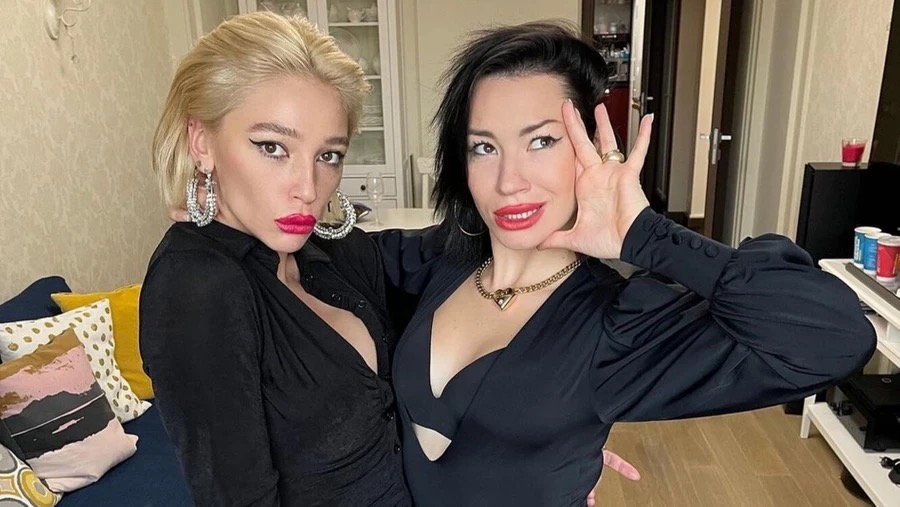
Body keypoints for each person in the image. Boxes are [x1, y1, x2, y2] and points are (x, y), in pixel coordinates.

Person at [371, 21, 877, 506]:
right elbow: (327, 268)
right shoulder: (436, 262)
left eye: (541, 141)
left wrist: (648, 235)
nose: (508, 181)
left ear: (591, 146)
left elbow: (834, 338)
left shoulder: (621, 325)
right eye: (484, 147)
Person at [142, 12, 634, 506]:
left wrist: (546, 447)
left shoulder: (328, 252)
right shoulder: (196, 285)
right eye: (272, 147)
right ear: (202, 142)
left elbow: (474, 247)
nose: (307, 188)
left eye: (328, 155)